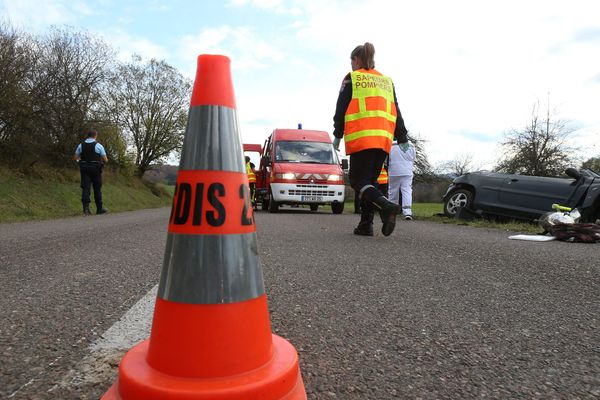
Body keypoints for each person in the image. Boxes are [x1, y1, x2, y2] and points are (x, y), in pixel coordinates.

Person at [332, 42, 408, 236]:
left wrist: (337, 134)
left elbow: (341, 108)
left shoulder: (353, 79)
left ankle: (386, 206)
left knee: (358, 181)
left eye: (351, 61)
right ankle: (366, 224)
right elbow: (396, 110)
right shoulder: (386, 81)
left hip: (362, 137)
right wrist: (402, 135)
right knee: (370, 182)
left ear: (356, 60)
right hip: (383, 139)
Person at [74, 130, 108, 215]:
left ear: (88, 135)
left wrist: (80, 162)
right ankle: (99, 209)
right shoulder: (98, 145)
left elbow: (75, 157)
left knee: (85, 188)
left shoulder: (81, 145)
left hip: (84, 168)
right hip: (95, 168)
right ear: (95, 136)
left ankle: (86, 209)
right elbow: (105, 160)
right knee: (97, 188)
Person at [388, 141, 416, 220]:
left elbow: (387, 158)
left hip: (394, 171)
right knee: (407, 191)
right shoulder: (411, 145)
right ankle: (407, 212)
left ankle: (392, 212)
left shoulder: (391, 144)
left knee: (393, 191)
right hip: (407, 171)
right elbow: (413, 158)